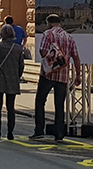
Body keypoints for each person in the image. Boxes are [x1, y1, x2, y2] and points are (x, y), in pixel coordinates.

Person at [31, 14, 81, 142]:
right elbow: (75, 57)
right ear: (60, 23)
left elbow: (43, 51)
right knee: (59, 105)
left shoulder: (48, 34)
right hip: (63, 76)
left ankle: (39, 131)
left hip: (47, 74)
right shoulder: (69, 37)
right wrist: (78, 75)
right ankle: (59, 134)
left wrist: (51, 57)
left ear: (49, 23)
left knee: (40, 101)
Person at [0, 25, 24, 140]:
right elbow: (21, 65)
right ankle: (10, 132)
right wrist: (17, 77)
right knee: (10, 107)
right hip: (12, 80)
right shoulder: (18, 48)